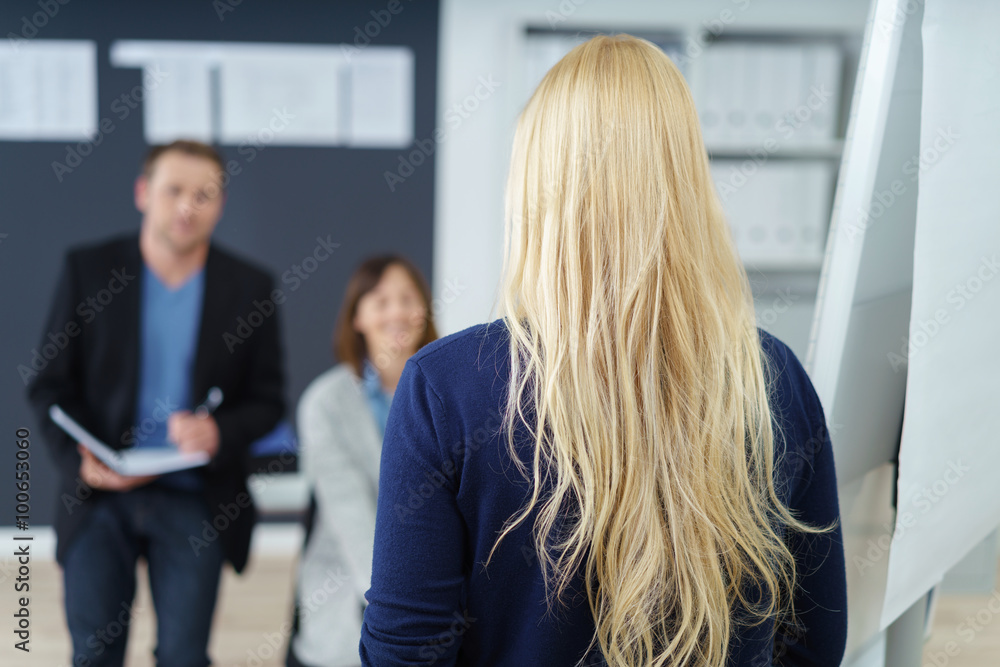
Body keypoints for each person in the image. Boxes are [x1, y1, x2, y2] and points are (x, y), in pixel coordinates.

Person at [359, 35, 847, 666]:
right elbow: (814, 641)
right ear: (685, 180)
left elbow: (406, 653)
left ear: (534, 187)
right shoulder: (771, 377)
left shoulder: (445, 387)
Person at [26, 140, 286, 667]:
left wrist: (220, 433)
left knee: (185, 657)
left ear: (222, 203)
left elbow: (269, 400)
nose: (188, 206)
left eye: (204, 194)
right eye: (174, 191)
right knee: (94, 653)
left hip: (196, 495)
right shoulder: (89, 271)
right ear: (144, 193)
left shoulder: (251, 287)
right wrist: (81, 460)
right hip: (100, 496)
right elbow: (48, 387)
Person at [287, 255, 438, 667]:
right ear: (357, 317)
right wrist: (400, 616)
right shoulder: (326, 403)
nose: (397, 313)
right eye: (380, 301)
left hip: (443, 593)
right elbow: (352, 517)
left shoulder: (447, 394)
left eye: (408, 299)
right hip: (350, 598)